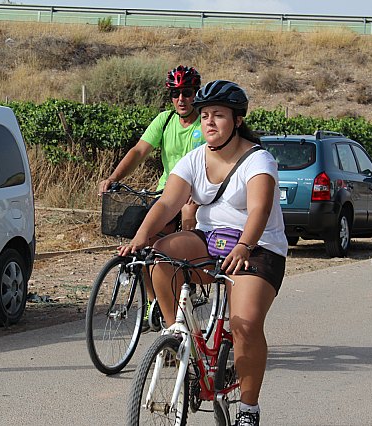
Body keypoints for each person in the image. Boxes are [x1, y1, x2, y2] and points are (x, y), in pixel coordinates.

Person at [118, 80, 288, 426]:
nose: (209, 122)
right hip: (209, 240)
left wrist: (244, 245)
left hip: (257, 249)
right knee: (160, 256)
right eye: (205, 115)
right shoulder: (194, 158)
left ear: (237, 120)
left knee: (245, 325)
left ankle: (249, 409)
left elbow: (259, 210)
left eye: (219, 116)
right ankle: (180, 339)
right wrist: (140, 238)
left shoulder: (259, 160)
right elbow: (168, 202)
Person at [98, 64, 204, 232]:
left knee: (188, 213)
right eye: (175, 94)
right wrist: (113, 179)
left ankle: (189, 254)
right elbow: (139, 151)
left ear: (196, 94)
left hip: (198, 192)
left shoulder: (205, 123)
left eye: (187, 93)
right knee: (149, 232)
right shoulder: (165, 119)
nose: (181, 99)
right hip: (167, 190)